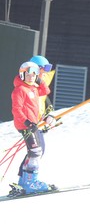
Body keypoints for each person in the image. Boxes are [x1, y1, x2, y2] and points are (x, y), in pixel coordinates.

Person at [11, 61, 56, 194]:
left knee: (35, 152)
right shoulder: (19, 90)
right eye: (28, 74)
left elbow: (46, 91)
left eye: (34, 74)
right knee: (35, 151)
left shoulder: (33, 88)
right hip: (24, 125)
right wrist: (27, 123)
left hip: (32, 124)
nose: (32, 77)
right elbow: (16, 110)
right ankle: (30, 182)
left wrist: (39, 80)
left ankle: (24, 182)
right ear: (22, 74)